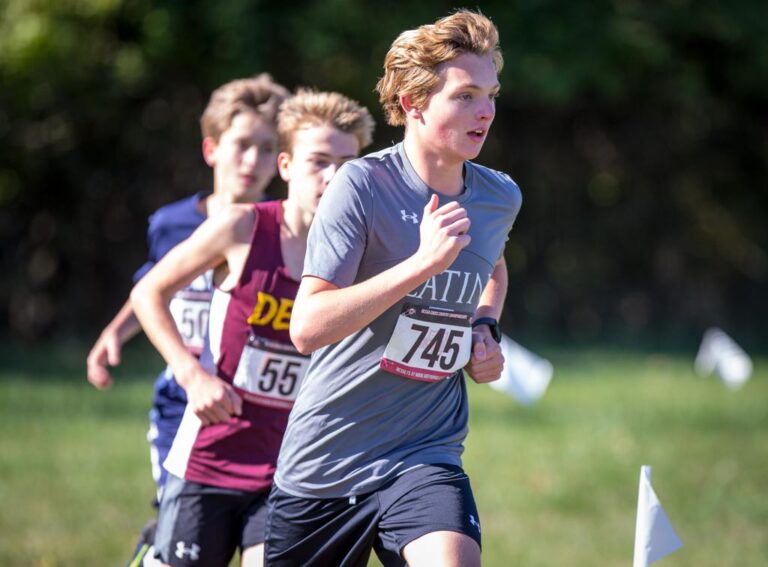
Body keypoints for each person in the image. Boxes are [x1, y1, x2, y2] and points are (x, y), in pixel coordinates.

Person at [265, 10, 521, 567]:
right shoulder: (359, 186)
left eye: (491, 95)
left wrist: (483, 326)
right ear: (413, 103)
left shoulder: (499, 197)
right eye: (466, 96)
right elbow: (307, 328)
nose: (486, 112)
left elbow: (491, 269)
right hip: (325, 463)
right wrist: (419, 266)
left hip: (425, 454)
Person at [130, 89, 375, 567]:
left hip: (292, 469)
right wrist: (191, 374)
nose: (333, 177)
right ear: (284, 165)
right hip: (209, 459)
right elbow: (148, 293)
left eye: (347, 164)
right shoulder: (243, 228)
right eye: (318, 161)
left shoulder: (365, 254)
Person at [85, 74, 288, 564]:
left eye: (266, 148)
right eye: (241, 145)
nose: (252, 160)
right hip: (184, 404)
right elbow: (152, 288)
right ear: (211, 149)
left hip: (258, 411)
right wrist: (114, 333)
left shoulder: (283, 230)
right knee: (181, 521)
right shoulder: (173, 224)